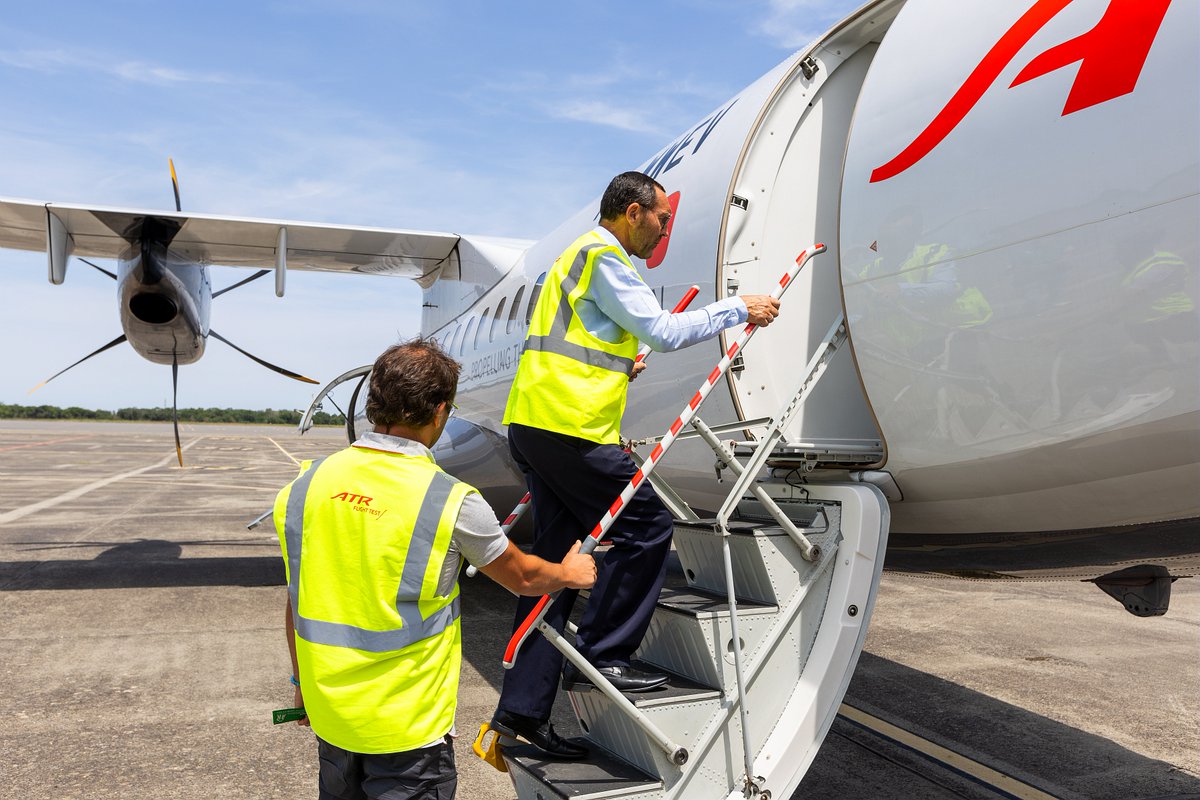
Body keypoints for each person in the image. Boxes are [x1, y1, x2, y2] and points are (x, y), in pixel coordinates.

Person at [490, 170, 781, 759]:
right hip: (570, 431)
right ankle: (605, 657)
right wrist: (736, 309)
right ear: (631, 212)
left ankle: (521, 711)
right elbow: (665, 331)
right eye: (661, 219)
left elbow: (574, 343)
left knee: (553, 569)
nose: (663, 230)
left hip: (538, 425)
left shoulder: (577, 258)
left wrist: (619, 367)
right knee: (647, 527)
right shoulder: (605, 256)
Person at [276, 339, 596, 800]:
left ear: (373, 402)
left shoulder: (304, 487)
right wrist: (569, 574)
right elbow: (523, 576)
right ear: (440, 411)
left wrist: (300, 685)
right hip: (407, 732)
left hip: (331, 718)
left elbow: (296, 600)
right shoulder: (449, 499)